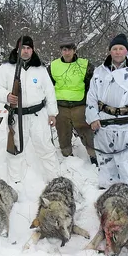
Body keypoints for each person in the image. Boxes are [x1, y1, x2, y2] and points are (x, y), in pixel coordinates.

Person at [85, 33, 128, 198]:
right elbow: (92, 96)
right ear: (110, 51)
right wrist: (93, 117)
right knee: (106, 159)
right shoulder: (100, 72)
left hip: (126, 123)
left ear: (126, 51)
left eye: (120, 48)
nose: (117, 52)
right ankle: (109, 190)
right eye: (114, 49)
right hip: (104, 123)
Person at [0, 35, 60, 185]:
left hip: (38, 115)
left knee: (46, 149)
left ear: (33, 50)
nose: (26, 51)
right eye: (23, 48)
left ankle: (54, 182)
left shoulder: (40, 69)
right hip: (17, 116)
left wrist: (52, 113)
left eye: (29, 48)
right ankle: (15, 184)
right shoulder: (6, 68)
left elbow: (50, 92)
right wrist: (7, 96)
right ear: (17, 49)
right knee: (15, 150)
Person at [47, 37, 98, 165]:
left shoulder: (85, 65)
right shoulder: (53, 66)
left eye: (69, 49)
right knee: (63, 133)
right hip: (61, 107)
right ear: (61, 51)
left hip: (80, 106)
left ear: (74, 50)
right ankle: (67, 158)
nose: (67, 52)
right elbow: (48, 87)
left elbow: (92, 86)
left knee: (87, 132)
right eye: (64, 50)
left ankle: (94, 156)